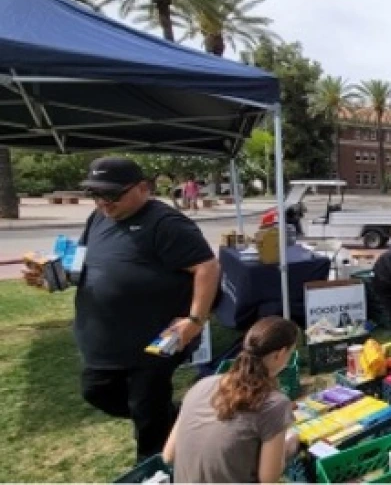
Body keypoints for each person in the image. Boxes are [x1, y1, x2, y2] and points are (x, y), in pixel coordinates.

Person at [73, 156, 221, 463]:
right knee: (97, 392)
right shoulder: (98, 217)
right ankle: (177, 418)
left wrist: (195, 320)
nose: (103, 202)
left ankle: (153, 466)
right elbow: (82, 257)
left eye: (112, 194)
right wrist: (55, 275)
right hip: (104, 337)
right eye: (96, 194)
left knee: (147, 415)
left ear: (142, 188)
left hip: (154, 338)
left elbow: (207, 267)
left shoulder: (166, 223)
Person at [162, 316, 300, 483]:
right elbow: (268, 479)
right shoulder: (274, 404)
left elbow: (168, 455)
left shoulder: (201, 386)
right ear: (280, 354)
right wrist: (289, 446)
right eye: (291, 352)